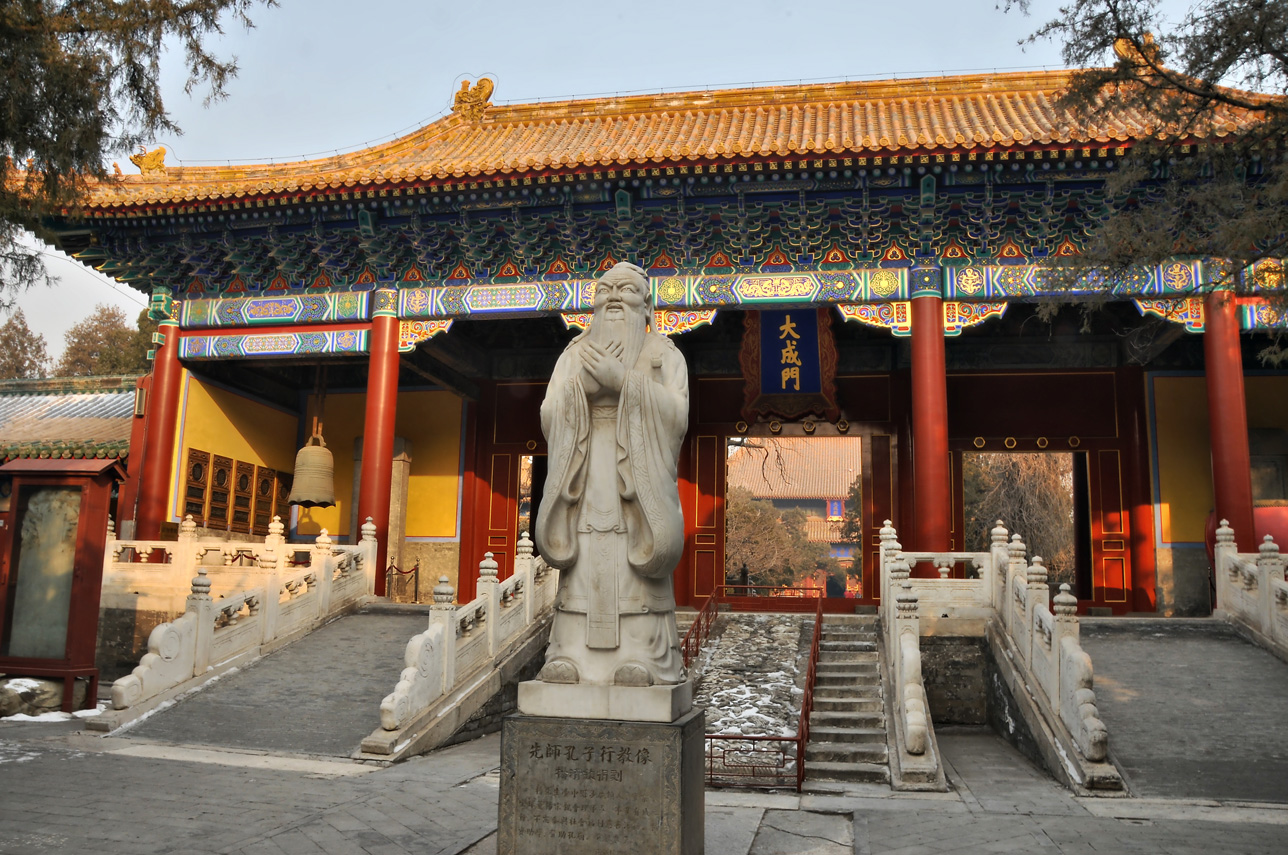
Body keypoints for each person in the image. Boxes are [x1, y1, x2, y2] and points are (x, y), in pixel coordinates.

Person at [534, 261, 689, 687]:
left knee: (634, 570)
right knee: (583, 561)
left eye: (627, 290)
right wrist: (581, 390)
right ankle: (569, 654)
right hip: (584, 477)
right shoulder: (573, 354)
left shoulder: (664, 354)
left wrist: (624, 382)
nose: (616, 297)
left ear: (648, 305)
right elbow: (549, 414)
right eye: (606, 290)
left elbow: (677, 417)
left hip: (638, 482)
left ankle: (643, 657)